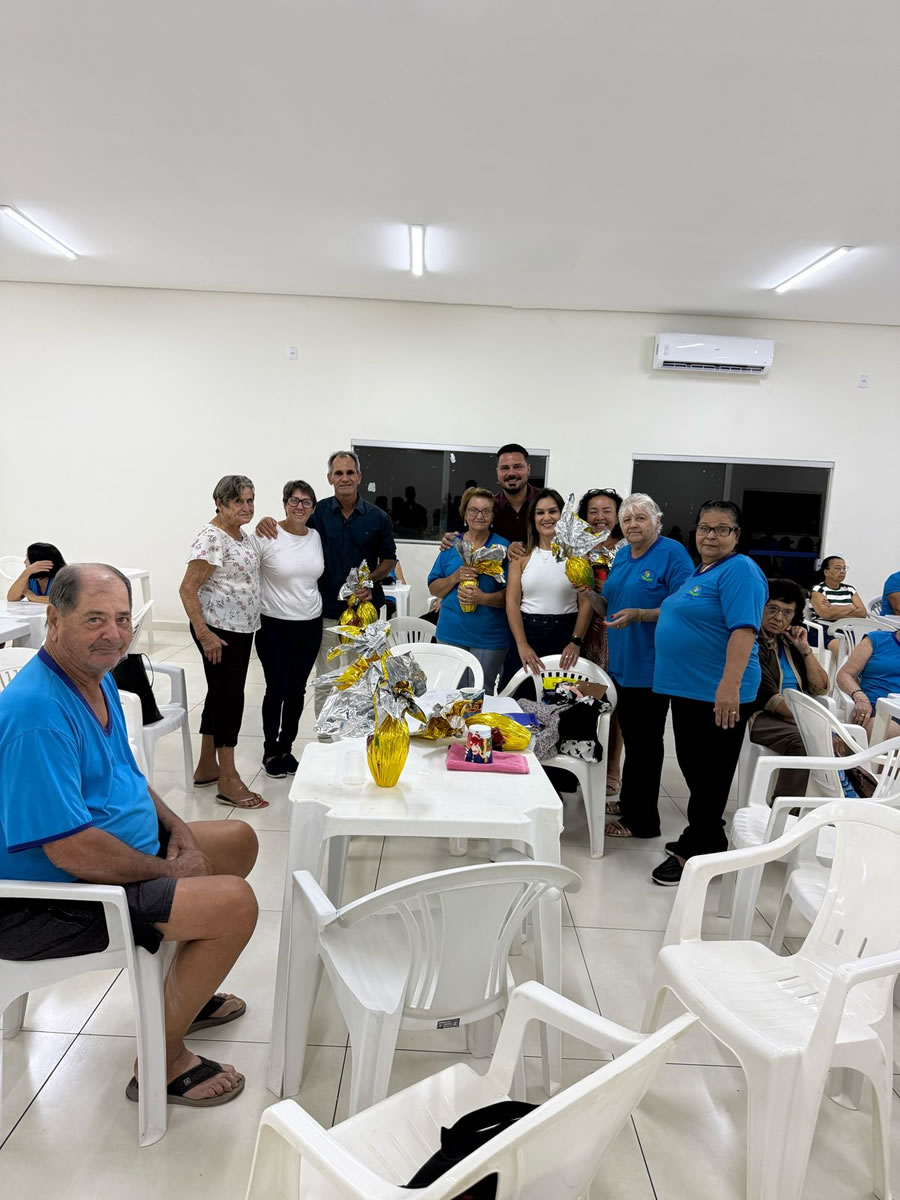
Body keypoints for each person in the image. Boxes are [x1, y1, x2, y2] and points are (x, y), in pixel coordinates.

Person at [0, 564, 259, 1107]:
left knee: (237, 841)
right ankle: (161, 1060)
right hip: (51, 900)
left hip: (107, 861)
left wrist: (179, 830)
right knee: (234, 904)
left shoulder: (98, 680)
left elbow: (128, 778)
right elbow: (70, 849)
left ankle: (184, 996)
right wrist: (170, 868)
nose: (114, 634)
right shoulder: (37, 713)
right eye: (94, 619)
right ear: (54, 621)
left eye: (122, 619)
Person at [651, 500, 768, 885]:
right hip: (689, 689)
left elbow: (744, 630)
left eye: (722, 529)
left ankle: (696, 851)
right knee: (694, 767)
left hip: (717, 691)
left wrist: (729, 686)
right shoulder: (702, 571)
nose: (711, 536)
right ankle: (709, 836)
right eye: (704, 528)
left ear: (737, 534)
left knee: (711, 774)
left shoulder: (741, 570)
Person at [583, 493, 694, 839]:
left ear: (657, 522)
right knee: (634, 738)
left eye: (641, 518)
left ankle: (643, 822)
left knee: (645, 745)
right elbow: (610, 608)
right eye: (627, 519)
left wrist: (642, 615)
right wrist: (588, 595)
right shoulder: (622, 556)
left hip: (652, 665)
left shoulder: (672, 554)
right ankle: (631, 802)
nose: (633, 524)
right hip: (622, 664)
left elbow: (685, 607)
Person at [258, 451, 396, 716]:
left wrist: (369, 580)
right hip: (327, 612)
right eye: (338, 473)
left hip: (363, 613)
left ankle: (357, 733)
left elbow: (389, 559)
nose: (344, 478)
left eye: (349, 472)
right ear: (330, 478)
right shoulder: (316, 513)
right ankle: (324, 734)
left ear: (359, 477)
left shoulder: (378, 518)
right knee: (326, 678)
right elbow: (291, 529)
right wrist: (267, 521)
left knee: (362, 677)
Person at [179, 474, 267, 809]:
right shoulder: (211, 538)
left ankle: (206, 766)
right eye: (238, 501)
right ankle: (228, 779)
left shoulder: (239, 534)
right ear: (220, 503)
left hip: (239, 628)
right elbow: (187, 589)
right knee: (230, 699)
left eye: (250, 500)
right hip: (218, 631)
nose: (247, 507)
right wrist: (204, 634)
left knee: (219, 695)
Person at [247, 480, 324, 778]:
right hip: (274, 625)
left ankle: (286, 747)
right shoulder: (266, 535)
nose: (299, 506)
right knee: (276, 688)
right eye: (294, 500)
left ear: (313, 508)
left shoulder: (316, 537)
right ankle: (270, 750)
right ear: (284, 503)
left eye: (306, 502)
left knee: (297, 690)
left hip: (310, 625)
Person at [748, 578, 830, 798]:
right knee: (804, 741)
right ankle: (785, 810)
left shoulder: (789, 643)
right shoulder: (752, 643)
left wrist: (805, 650)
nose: (778, 617)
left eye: (787, 612)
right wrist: (813, 724)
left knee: (845, 743)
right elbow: (772, 701)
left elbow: (821, 688)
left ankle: (837, 806)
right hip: (761, 716)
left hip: (796, 715)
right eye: (772, 608)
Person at [427, 487, 510, 693]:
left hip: (488, 637)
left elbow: (512, 597)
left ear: (492, 516)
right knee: (451, 692)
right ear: (464, 514)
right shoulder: (451, 545)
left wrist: (482, 598)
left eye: (485, 511)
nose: (479, 516)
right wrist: (455, 577)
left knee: (481, 692)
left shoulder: (502, 548)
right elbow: (434, 588)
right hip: (450, 633)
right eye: (473, 510)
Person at [505, 488, 592, 681]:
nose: (547, 517)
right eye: (540, 512)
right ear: (533, 518)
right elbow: (512, 601)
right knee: (522, 692)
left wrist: (576, 641)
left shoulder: (578, 555)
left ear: (563, 515)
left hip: (566, 633)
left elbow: (586, 601)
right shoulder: (521, 555)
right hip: (528, 632)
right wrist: (522, 644)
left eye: (553, 511)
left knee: (566, 694)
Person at [576, 488, 626, 795]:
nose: (600, 517)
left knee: (616, 702)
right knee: (585, 697)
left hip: (618, 634)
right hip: (586, 635)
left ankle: (612, 767)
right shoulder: (578, 547)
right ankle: (583, 759)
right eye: (593, 511)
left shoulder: (628, 547)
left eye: (607, 510)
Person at [837, 626, 900, 736]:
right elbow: (845, 674)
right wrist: (860, 697)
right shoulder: (876, 639)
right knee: (888, 731)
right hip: (874, 708)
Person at [808, 556, 867, 653]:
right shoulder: (818, 589)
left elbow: (862, 613)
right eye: (838, 568)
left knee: (867, 647)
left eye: (844, 568)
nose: (842, 571)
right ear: (826, 572)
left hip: (846, 630)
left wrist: (833, 608)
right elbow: (826, 614)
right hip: (823, 630)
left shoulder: (850, 589)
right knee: (843, 649)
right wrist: (850, 607)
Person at [490, 444, 541, 556]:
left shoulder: (545, 502)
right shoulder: (489, 507)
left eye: (517, 467)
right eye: (505, 468)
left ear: (528, 469)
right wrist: (453, 538)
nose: (511, 473)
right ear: (497, 472)